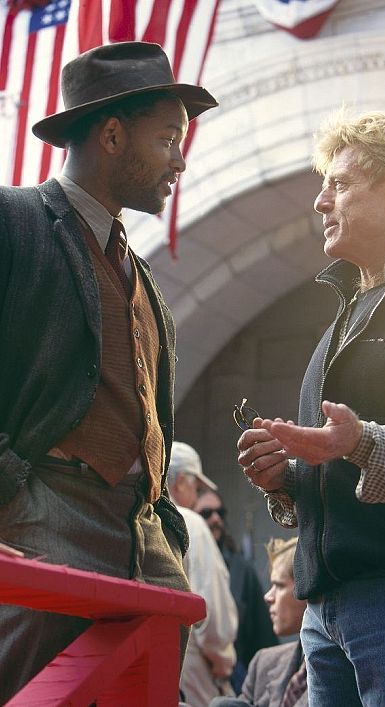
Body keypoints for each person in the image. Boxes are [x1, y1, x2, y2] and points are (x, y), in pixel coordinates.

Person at [0, 41, 217, 702]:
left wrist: (165, 529)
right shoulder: (13, 222)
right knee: (30, 689)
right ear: (114, 135)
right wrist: (13, 493)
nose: (180, 160)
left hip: (144, 529)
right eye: (168, 139)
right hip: (45, 513)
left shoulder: (142, 277)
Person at [236, 111, 385, 707]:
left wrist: (361, 442)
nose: (320, 202)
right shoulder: (342, 319)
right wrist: (284, 480)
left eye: (339, 184)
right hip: (324, 615)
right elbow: (339, 470)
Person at [168, 441, 238, 707]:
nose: (197, 496)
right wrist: (223, 657)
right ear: (181, 481)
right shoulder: (191, 522)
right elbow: (211, 603)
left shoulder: (143, 516)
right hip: (192, 661)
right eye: (196, 488)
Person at [194, 488, 278, 692]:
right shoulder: (181, 564)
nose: (215, 519)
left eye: (220, 513)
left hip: (233, 679)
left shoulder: (242, 570)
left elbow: (263, 637)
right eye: (206, 513)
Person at [210, 536, 307, 707]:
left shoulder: (345, 667)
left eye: (280, 585)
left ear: (308, 590)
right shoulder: (264, 663)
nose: (268, 597)